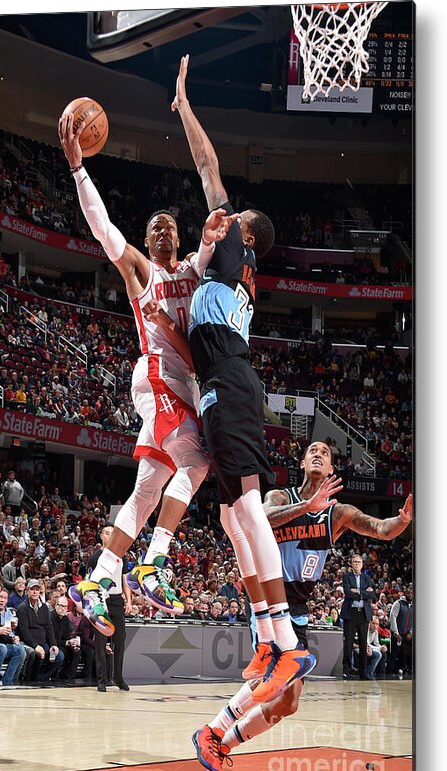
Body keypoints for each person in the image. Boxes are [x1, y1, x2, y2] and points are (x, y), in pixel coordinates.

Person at [171, 54, 315, 706]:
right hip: (220, 380)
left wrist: (184, 106)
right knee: (231, 516)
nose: (230, 211)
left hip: (230, 377)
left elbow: (207, 168)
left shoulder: (234, 241)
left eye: (238, 212)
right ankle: (265, 633)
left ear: (246, 230)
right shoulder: (235, 265)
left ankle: (286, 645)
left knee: (248, 507)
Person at [59, 111, 237, 633]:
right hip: (157, 375)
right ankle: (155, 563)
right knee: (199, 461)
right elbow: (103, 228)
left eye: (169, 226)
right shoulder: (143, 269)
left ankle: (99, 577)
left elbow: (211, 252)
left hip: (182, 385)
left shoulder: (192, 269)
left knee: (148, 490)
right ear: (147, 237)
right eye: (154, 225)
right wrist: (78, 171)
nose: (161, 229)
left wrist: (209, 236)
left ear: (179, 237)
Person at [191, 441, 413, 771]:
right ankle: (212, 731)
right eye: (313, 450)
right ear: (302, 462)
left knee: (288, 703)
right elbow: (259, 519)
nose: (319, 454)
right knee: (273, 678)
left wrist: (403, 519)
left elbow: (381, 529)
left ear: (331, 470)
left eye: (325, 453)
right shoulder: (282, 496)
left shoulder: (338, 514)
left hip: (300, 608)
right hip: (270, 601)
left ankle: (222, 744)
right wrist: (305, 506)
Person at [91, 524, 131, 692]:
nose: (110, 536)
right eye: (107, 533)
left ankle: (118, 677)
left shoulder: (121, 556)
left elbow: (125, 579)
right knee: (100, 641)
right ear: (101, 536)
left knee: (120, 639)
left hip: (116, 599)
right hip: (100, 599)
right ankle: (101, 679)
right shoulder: (96, 557)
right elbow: (89, 580)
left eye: (112, 533)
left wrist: (128, 600)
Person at [17, 579, 63, 682]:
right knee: (37, 655)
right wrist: (35, 646)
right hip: (30, 643)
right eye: (32, 589)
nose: (35, 592)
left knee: (59, 656)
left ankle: (41, 679)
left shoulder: (44, 608)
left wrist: (53, 644)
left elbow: (49, 628)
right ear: (27, 591)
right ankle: (31, 680)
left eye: (37, 589)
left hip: (44, 643)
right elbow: (24, 632)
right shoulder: (22, 608)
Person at [341, 554, 375, 680]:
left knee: (362, 643)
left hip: (363, 613)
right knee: (348, 643)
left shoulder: (366, 577)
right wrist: (364, 593)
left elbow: (372, 595)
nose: (356, 564)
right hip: (351, 613)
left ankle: (363, 672)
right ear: (351, 564)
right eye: (354, 562)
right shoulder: (347, 576)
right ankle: (347, 670)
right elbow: (348, 593)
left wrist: (359, 592)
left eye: (358, 562)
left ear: (362, 564)